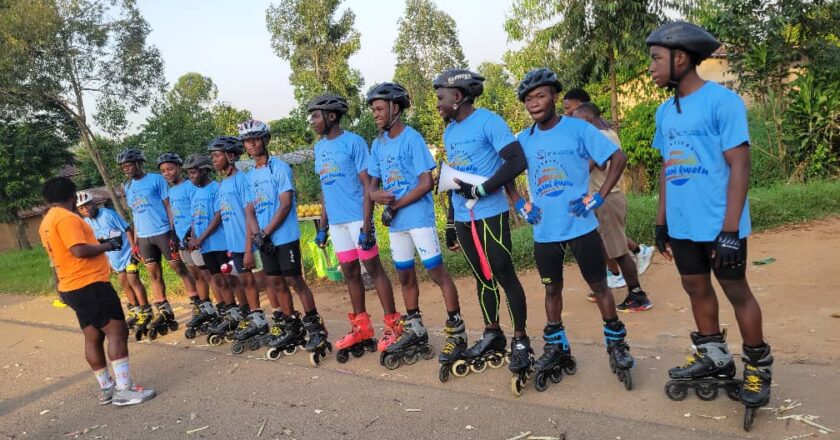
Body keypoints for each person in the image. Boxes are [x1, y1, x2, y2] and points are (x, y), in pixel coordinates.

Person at [646, 22, 772, 413]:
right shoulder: (664, 111)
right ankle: (714, 356)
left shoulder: (723, 101)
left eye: (655, 59)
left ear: (680, 58)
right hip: (683, 225)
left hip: (720, 225)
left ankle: (758, 368)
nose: (651, 67)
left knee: (737, 291)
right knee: (695, 289)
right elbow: (668, 168)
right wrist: (662, 222)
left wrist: (731, 231)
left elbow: (740, 165)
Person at [512, 68, 635, 390]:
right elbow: (504, 173)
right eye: (528, 99)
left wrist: (597, 197)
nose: (534, 103)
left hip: (581, 225)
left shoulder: (578, 129)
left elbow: (617, 158)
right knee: (552, 290)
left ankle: (616, 343)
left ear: (554, 96)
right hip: (545, 231)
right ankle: (557, 345)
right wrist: (520, 203)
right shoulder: (522, 140)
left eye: (540, 95)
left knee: (600, 287)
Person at [432, 69, 532, 381]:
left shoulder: (489, 121)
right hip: (463, 217)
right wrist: (450, 221)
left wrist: (483, 189)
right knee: (481, 277)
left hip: (490, 213)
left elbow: (517, 161)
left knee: (503, 273)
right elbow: (453, 178)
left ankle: (520, 340)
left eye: (440, 97)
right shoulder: (449, 130)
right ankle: (493, 334)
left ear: (458, 96)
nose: (437, 103)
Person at [366, 83, 460, 368]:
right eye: (373, 110)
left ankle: (456, 327)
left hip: (418, 219)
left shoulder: (412, 138)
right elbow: (371, 184)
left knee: (436, 273)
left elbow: (426, 183)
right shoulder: (377, 144)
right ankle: (416, 327)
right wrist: (375, 195)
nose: (375, 114)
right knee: (404, 276)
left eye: (379, 109)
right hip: (396, 225)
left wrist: (394, 204)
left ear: (395, 108)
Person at [39, 177, 155, 406]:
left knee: (93, 336)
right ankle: (125, 390)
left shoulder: (46, 222)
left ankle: (107, 389)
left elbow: (57, 256)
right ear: (71, 196)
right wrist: (108, 245)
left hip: (71, 285)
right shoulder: (66, 218)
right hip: (89, 284)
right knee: (117, 332)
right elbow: (79, 250)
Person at [308, 93, 401, 361]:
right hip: (336, 224)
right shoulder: (319, 148)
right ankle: (361, 327)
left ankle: (393, 326)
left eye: (316, 115)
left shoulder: (354, 143)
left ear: (332, 116)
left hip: (357, 219)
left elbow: (367, 186)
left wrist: (367, 226)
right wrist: (323, 227)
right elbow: (325, 189)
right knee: (349, 272)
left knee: (374, 269)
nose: (312, 121)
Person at [239, 119, 330, 361]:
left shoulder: (280, 168)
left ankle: (315, 327)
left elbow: (285, 204)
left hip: (284, 236)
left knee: (295, 280)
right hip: (264, 238)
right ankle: (293, 327)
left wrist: (266, 232)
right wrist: (257, 234)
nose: (252, 144)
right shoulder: (249, 177)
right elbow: (249, 209)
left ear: (265, 140)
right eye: (248, 140)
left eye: (256, 139)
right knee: (276, 284)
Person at [572, 102, 653, 311]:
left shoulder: (601, 137)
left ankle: (637, 294)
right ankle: (605, 286)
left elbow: (596, 165)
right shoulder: (606, 133)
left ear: (588, 120)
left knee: (618, 250)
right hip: (605, 198)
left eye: (577, 122)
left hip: (607, 199)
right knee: (604, 245)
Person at [118, 148, 195, 338]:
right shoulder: (128, 187)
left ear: (138, 164)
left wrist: (172, 232)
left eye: (129, 165)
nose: (126, 169)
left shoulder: (156, 179)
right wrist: (135, 242)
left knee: (179, 269)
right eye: (123, 167)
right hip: (144, 237)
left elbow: (170, 206)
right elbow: (135, 215)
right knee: (154, 274)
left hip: (162, 232)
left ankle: (197, 304)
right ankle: (163, 308)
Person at [207, 136, 269, 349]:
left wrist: (249, 248)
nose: (213, 160)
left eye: (217, 155)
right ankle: (252, 318)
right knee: (243, 282)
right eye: (212, 156)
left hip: (247, 243)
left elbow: (249, 215)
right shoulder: (223, 183)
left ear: (230, 156)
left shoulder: (242, 180)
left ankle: (267, 320)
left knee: (259, 282)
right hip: (233, 245)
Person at [76, 192, 150, 330]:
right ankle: (136, 310)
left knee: (133, 280)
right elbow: (97, 244)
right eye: (82, 208)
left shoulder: (108, 214)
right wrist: (107, 261)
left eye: (88, 205)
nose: (86, 209)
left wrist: (135, 248)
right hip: (114, 258)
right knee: (124, 283)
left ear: (94, 203)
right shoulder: (86, 223)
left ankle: (146, 310)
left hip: (128, 254)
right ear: (79, 211)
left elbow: (127, 229)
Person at [183, 154, 236, 336]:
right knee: (216, 280)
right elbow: (195, 217)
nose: (190, 177)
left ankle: (235, 313)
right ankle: (228, 313)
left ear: (204, 170)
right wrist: (192, 236)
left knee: (227, 279)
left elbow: (217, 216)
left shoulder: (215, 188)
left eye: (193, 173)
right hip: (205, 246)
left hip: (219, 243)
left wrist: (201, 238)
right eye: (188, 174)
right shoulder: (195, 191)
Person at [157, 152, 214, 320]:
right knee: (196, 274)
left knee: (207, 274)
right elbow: (174, 213)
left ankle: (224, 307)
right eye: (163, 171)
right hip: (181, 239)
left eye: (170, 169)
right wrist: (173, 233)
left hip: (194, 237)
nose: (167, 173)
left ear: (179, 168)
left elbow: (198, 209)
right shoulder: (171, 190)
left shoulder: (190, 186)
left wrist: (192, 232)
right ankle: (206, 307)